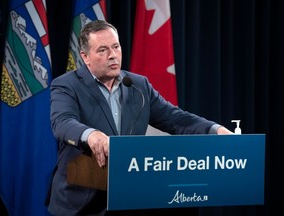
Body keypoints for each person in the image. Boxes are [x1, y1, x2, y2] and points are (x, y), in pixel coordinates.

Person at [47, 20, 233, 216]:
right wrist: (91, 135)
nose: (112, 55)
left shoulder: (137, 85)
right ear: (85, 57)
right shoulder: (67, 85)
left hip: (128, 199)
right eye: (102, 50)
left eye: (116, 47)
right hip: (82, 202)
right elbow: (62, 122)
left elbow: (174, 118)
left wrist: (215, 130)